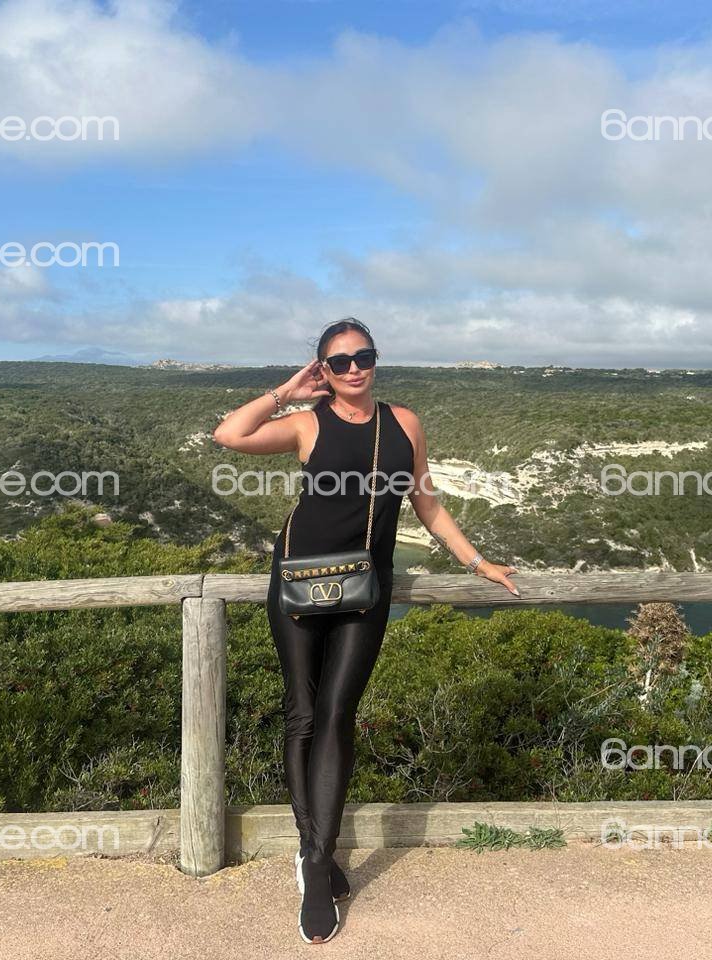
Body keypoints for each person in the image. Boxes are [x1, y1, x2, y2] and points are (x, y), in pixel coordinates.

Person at [212, 318, 520, 943]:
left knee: (336, 715)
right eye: (339, 361)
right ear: (323, 369)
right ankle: (315, 856)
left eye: (364, 357)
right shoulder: (307, 423)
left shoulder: (403, 423)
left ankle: (316, 859)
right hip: (298, 579)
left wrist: (477, 562)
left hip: (364, 587)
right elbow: (229, 434)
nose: (354, 368)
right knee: (302, 714)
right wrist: (287, 391)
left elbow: (426, 502)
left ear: (377, 361)